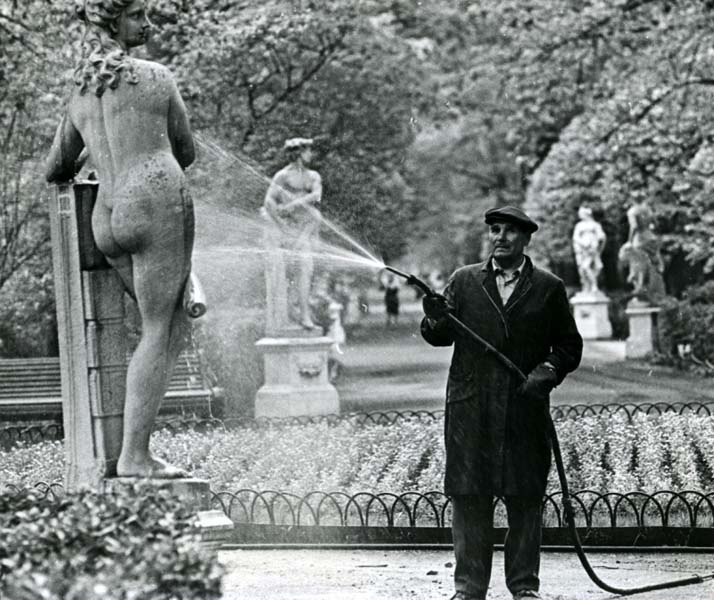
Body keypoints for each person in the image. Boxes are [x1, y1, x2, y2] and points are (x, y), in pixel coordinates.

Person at [45, 0, 195, 478]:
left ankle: (128, 451)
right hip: (155, 201)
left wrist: (104, 141)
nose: (148, 25)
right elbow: (185, 150)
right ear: (114, 21)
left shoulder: (80, 86)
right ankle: (135, 457)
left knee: (162, 326)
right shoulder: (155, 76)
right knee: (163, 329)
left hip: (106, 215)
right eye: (138, 15)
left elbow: (56, 167)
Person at [421, 206, 583, 600]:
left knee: (525, 496)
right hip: (471, 408)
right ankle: (468, 588)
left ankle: (524, 587)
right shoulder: (463, 280)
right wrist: (434, 318)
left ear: (526, 239)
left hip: (523, 407)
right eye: (495, 230)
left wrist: (546, 371)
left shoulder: (548, 287)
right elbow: (440, 335)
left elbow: (568, 345)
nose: (500, 237)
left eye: (510, 231)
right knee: (470, 496)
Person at [261, 138, 322, 331]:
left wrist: (293, 205)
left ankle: (304, 314)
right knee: (284, 276)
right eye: (307, 151)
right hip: (286, 232)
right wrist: (281, 221)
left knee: (305, 270)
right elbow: (268, 202)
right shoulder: (282, 176)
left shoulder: (313, 176)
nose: (310, 154)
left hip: (304, 231)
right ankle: (288, 315)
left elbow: (316, 195)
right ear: (299, 154)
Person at [572, 206, 607, 295]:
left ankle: (593, 285)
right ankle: (588, 287)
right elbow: (575, 237)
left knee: (593, 267)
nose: (580, 216)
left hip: (592, 249)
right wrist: (582, 244)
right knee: (583, 269)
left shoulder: (595, 225)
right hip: (582, 250)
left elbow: (602, 236)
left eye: (581, 214)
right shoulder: (579, 225)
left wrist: (598, 245)